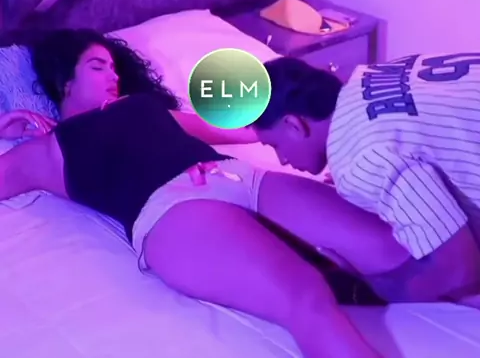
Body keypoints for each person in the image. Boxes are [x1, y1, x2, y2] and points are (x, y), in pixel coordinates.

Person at [0, 28, 399, 358]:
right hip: (173, 210)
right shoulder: (49, 150)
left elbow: (244, 131)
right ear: (65, 82)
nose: (112, 75)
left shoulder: (142, 106)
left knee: (392, 247)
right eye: (97, 66)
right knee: (305, 296)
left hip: (236, 176)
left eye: (114, 66)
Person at [252, 54, 480, 305]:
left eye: (275, 145)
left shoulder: (360, 161)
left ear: (294, 125)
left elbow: (459, 268)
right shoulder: (372, 75)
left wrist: (372, 287)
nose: (282, 160)